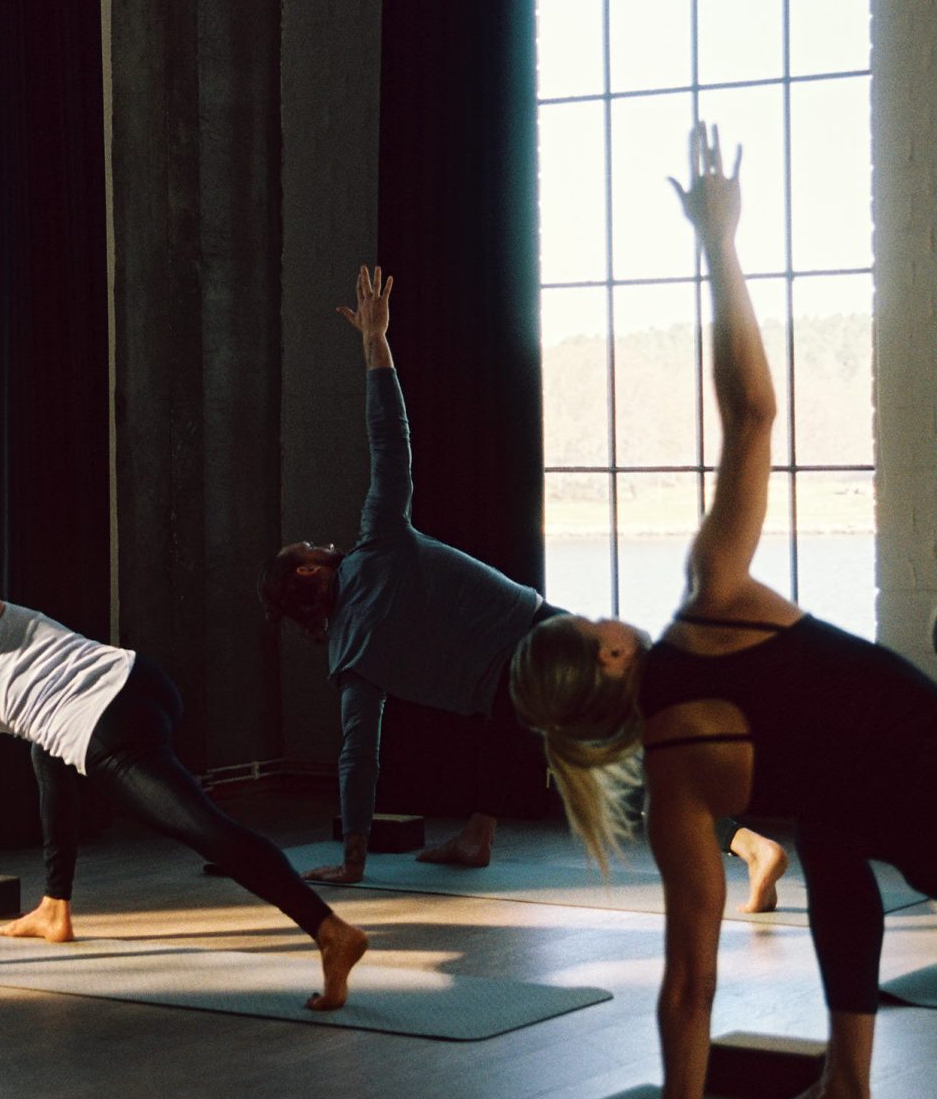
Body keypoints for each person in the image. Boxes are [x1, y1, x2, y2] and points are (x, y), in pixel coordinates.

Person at [510, 125, 937, 1099]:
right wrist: (719, 242)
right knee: (833, 831)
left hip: (908, 805)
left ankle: (844, 1094)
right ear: (612, 652)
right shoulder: (711, 600)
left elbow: (688, 983)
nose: (608, 615)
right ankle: (845, 1096)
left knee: (831, 830)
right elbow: (752, 411)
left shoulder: (678, 787)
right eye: (593, 619)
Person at [0, 291, 369, 1010]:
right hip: (139, 679)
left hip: (109, 726)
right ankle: (55, 906)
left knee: (205, 830)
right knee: (44, 743)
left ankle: (329, 931)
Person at [260, 267, 787, 911]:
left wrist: (353, 857)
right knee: (618, 755)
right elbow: (389, 439)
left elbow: (357, 757)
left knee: (578, 743)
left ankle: (479, 837)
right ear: (308, 572)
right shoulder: (377, 543)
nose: (320, 542)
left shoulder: (350, 660)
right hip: (540, 642)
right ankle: (749, 843)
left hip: (510, 683)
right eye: (308, 546)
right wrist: (376, 342)